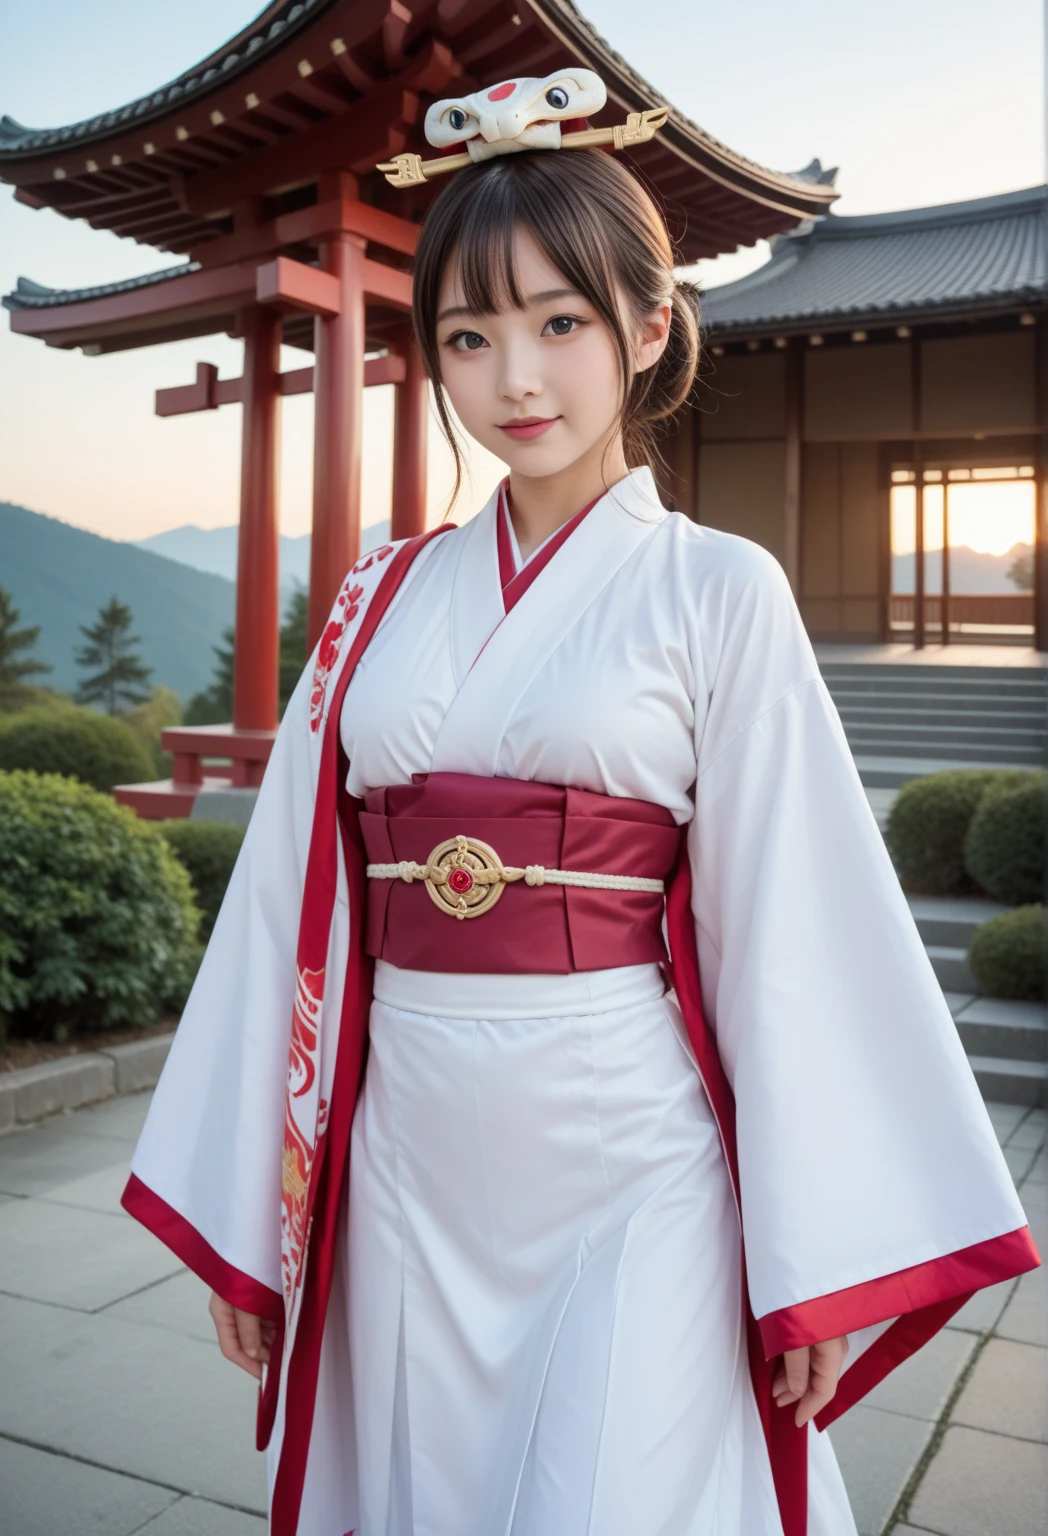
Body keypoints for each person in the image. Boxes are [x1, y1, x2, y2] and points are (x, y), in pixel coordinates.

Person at [123, 69, 1039, 1536]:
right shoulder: (376, 596)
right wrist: (254, 1225)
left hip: (628, 1145)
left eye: (561, 323)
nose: (517, 381)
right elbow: (283, 909)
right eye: (471, 337)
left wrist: (814, 1257)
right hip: (403, 1144)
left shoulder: (715, 589)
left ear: (651, 326)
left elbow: (797, 926)